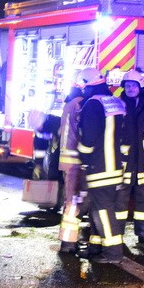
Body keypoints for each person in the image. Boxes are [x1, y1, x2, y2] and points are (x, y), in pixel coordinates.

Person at [77, 69, 128, 262]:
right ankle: (96, 247)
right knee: (102, 207)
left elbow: (88, 139)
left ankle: (113, 253)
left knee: (102, 210)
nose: (83, 91)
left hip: (99, 167)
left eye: (83, 87)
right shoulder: (115, 101)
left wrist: (84, 158)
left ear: (88, 84)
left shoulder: (92, 105)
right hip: (115, 166)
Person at [115, 70, 144, 249]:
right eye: (127, 86)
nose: (130, 88)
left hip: (142, 164)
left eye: (133, 86)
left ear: (140, 87)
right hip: (123, 163)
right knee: (119, 202)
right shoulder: (117, 106)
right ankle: (117, 235)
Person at [56, 70, 89, 254]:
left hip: (67, 160)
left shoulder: (69, 103)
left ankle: (69, 240)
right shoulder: (79, 105)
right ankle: (68, 242)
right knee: (75, 201)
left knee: (72, 200)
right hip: (76, 159)